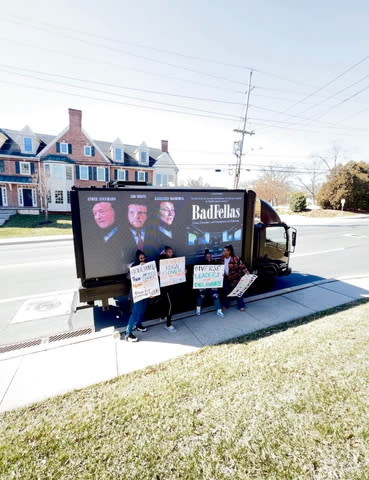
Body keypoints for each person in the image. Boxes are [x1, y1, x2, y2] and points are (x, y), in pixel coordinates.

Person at [124, 250, 149, 342]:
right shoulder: (134, 266)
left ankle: (138, 325)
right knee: (135, 312)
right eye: (141, 258)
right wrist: (136, 268)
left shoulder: (148, 266)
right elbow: (128, 277)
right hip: (137, 293)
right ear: (138, 258)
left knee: (142, 311)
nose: (143, 259)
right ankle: (128, 333)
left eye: (144, 257)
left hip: (146, 292)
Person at [195, 249, 225, 318]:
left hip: (212, 283)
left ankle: (219, 310)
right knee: (201, 295)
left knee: (215, 295)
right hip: (203, 283)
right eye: (207, 256)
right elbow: (197, 273)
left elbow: (219, 272)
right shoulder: (201, 264)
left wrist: (221, 275)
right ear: (205, 257)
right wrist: (195, 276)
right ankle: (198, 309)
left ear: (211, 256)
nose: (208, 257)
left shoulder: (215, 263)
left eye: (209, 256)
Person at [219, 244, 249, 311]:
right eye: (223, 251)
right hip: (226, 278)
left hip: (234, 278)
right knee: (226, 292)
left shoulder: (235, 258)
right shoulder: (222, 258)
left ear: (229, 252)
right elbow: (220, 267)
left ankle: (241, 305)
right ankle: (225, 305)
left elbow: (242, 266)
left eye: (224, 251)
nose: (223, 252)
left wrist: (247, 272)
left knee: (238, 291)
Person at [157, 245, 179, 333]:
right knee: (171, 304)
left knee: (167, 303)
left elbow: (179, 267)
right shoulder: (160, 259)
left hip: (172, 285)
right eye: (169, 252)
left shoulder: (175, 258)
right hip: (165, 286)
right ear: (165, 252)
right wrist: (158, 273)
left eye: (171, 252)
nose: (170, 253)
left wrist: (184, 270)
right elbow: (156, 267)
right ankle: (168, 324)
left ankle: (163, 316)